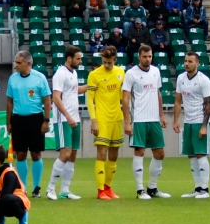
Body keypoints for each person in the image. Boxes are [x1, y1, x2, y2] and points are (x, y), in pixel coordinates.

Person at [121, 45, 171, 199]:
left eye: (150, 56)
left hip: (154, 119)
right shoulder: (131, 74)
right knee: (140, 152)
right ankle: (139, 189)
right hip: (139, 119)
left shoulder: (156, 71)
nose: (148, 59)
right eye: (145, 57)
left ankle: (152, 188)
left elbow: (158, 94)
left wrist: (161, 115)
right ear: (139, 56)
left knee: (160, 153)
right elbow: (125, 99)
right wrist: (127, 122)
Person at [6, 51, 53, 198]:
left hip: (36, 119)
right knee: (20, 154)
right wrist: (8, 121)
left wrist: (46, 120)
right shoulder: (12, 79)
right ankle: (22, 187)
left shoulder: (40, 78)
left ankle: (36, 187)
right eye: (16, 62)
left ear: (28, 63)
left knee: (36, 153)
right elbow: (9, 101)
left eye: (19, 63)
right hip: (18, 119)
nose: (16, 65)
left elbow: (47, 101)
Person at [172, 52, 210, 198]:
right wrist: (176, 120)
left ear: (197, 63)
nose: (187, 64)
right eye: (185, 61)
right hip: (188, 122)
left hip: (200, 121)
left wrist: (204, 126)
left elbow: (209, 105)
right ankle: (197, 188)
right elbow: (178, 100)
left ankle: (205, 189)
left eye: (190, 61)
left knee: (200, 154)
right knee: (191, 156)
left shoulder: (204, 80)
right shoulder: (181, 78)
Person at [47, 46, 87, 200]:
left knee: (73, 154)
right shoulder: (60, 74)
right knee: (65, 153)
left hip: (74, 118)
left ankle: (65, 190)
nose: (80, 61)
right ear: (69, 58)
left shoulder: (74, 73)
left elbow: (74, 90)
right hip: (64, 119)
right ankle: (50, 188)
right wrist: (68, 116)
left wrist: (91, 87)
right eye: (78, 58)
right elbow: (56, 97)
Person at [86, 46, 126, 199]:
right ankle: (100, 190)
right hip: (101, 119)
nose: (107, 65)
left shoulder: (121, 72)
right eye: (104, 62)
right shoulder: (94, 75)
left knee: (114, 155)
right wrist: (93, 120)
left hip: (117, 118)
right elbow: (89, 99)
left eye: (109, 62)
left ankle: (109, 188)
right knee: (102, 153)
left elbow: (123, 95)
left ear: (115, 60)